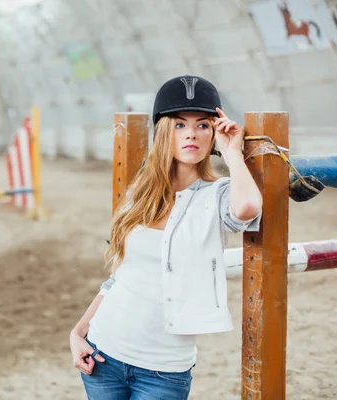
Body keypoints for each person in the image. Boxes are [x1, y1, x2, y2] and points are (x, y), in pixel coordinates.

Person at [69, 75, 263, 400]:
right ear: (163, 133)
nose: (191, 134)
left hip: (163, 372)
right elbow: (121, 275)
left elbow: (246, 207)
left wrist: (231, 152)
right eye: (179, 125)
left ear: (214, 132)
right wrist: (79, 329)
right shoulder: (139, 194)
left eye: (203, 125)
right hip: (104, 354)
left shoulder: (216, 196)